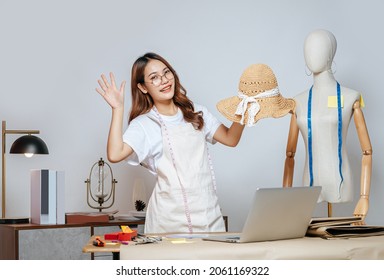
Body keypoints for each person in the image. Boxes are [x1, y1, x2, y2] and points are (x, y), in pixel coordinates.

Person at [96, 52, 245, 234]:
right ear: (143, 87)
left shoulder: (196, 112)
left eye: (166, 73)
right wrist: (117, 108)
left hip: (208, 215)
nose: (164, 80)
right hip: (168, 220)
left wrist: (245, 110)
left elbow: (231, 138)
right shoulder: (144, 124)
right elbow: (114, 154)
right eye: (154, 78)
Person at [282, 29, 372, 220]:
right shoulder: (297, 102)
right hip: (310, 183)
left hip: (341, 182)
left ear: (331, 54)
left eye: (319, 48)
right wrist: (284, 199)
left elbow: (367, 151)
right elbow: (290, 155)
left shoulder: (350, 97)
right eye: (309, 49)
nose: (312, 54)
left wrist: (364, 196)